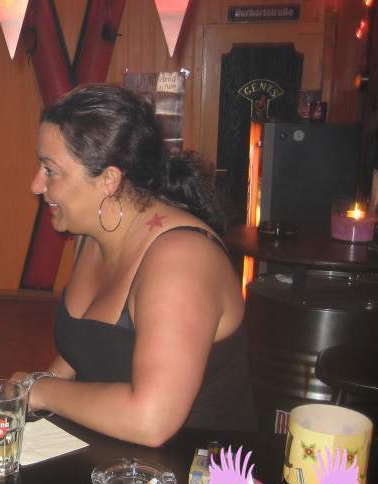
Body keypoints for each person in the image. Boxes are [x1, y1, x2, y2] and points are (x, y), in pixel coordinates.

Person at [13, 84, 257, 446]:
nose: (36, 185)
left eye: (50, 170)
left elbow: (151, 420)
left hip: (194, 467)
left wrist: (42, 391)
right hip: (111, 456)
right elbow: (85, 345)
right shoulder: (94, 234)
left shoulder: (181, 261)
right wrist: (25, 397)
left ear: (109, 180)